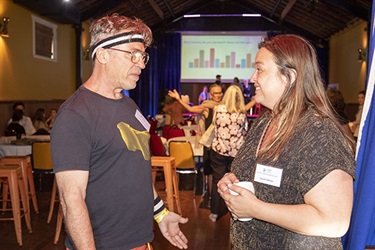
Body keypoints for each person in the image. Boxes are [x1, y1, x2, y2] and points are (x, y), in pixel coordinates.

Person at [51, 13, 188, 250]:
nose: (142, 63)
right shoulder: (75, 115)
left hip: (142, 242)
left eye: (143, 56)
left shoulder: (129, 105)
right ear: (103, 54)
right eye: (132, 54)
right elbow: (71, 199)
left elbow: (136, 168)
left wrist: (161, 214)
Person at [217, 34, 356, 249]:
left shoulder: (319, 133)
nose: (252, 78)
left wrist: (255, 209)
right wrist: (231, 182)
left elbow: (334, 221)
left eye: (260, 69)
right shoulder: (265, 122)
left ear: (289, 76)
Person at [168, 84, 223, 202]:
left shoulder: (225, 107)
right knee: (209, 173)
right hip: (209, 145)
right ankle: (211, 197)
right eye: (215, 93)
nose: (218, 95)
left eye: (219, 93)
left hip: (222, 145)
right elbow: (191, 109)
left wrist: (254, 101)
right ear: (210, 94)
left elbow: (242, 108)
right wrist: (178, 99)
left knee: (221, 174)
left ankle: (219, 199)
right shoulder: (206, 107)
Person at [209, 85, 248, 222]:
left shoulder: (218, 110)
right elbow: (244, 131)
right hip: (236, 153)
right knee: (235, 182)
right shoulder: (242, 113)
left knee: (216, 181)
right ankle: (235, 212)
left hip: (219, 150)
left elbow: (215, 126)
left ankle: (214, 213)